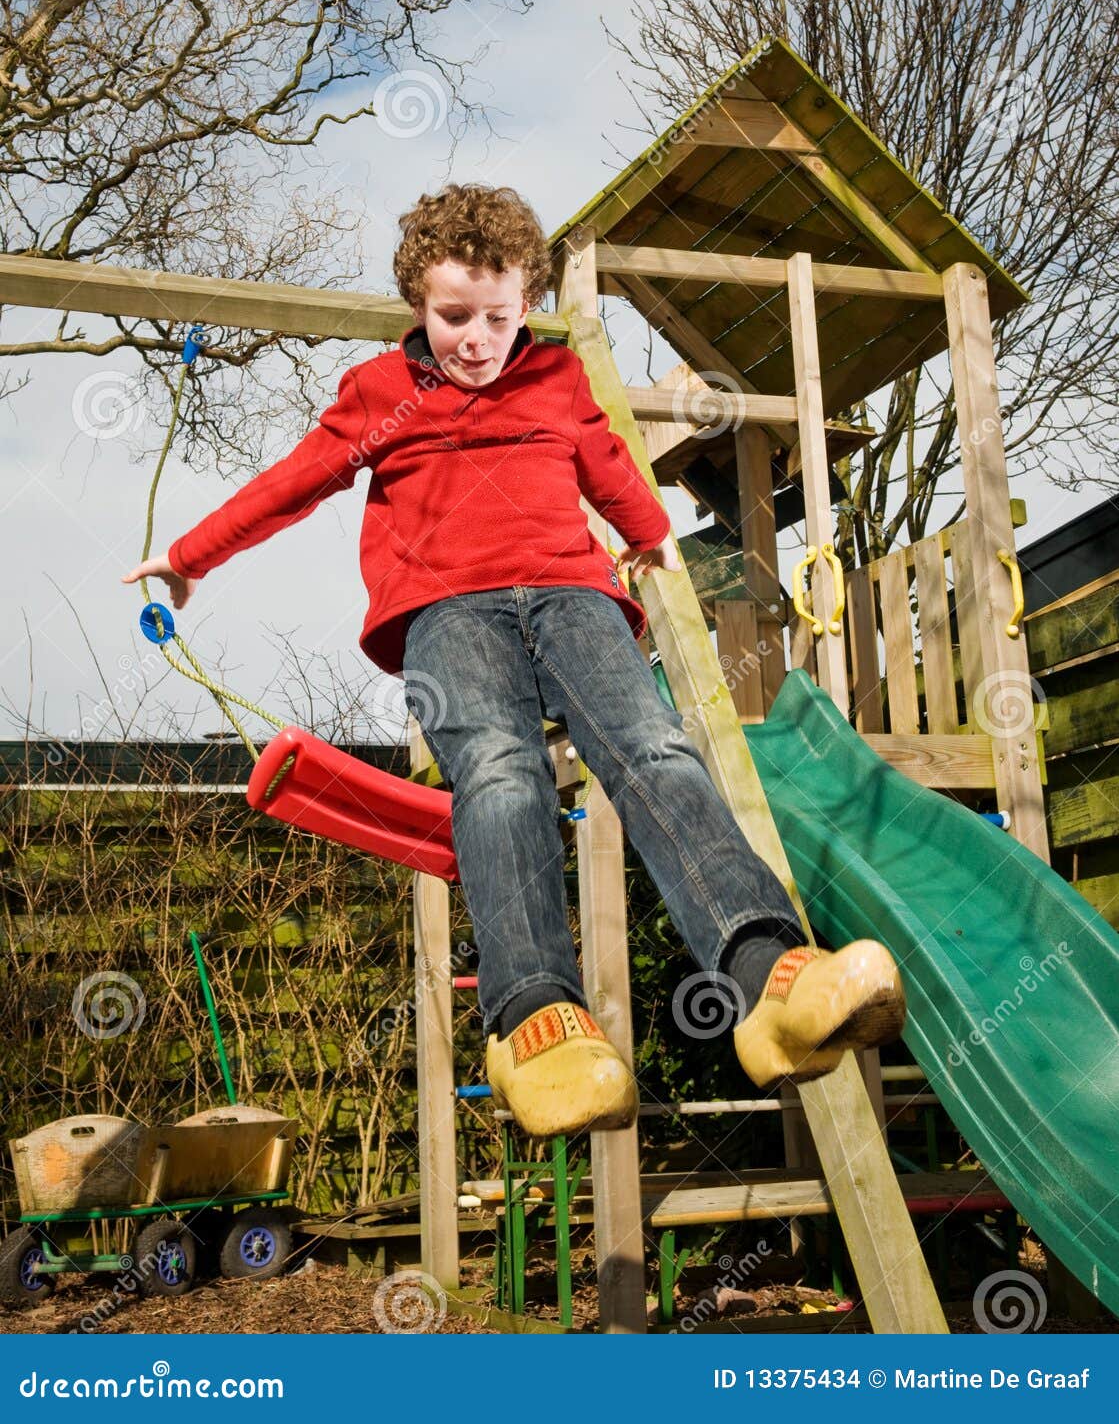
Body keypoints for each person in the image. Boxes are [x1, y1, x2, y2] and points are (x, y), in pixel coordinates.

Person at [123, 182, 905, 1137]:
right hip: (443, 611)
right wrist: (192, 554)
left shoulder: (555, 379)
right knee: (500, 775)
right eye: (454, 316)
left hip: (574, 596)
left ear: (525, 301)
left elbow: (608, 460)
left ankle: (767, 978)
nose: (477, 339)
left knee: (652, 748)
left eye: (499, 315)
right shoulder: (379, 393)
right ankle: (538, 1014)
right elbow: (297, 480)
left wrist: (650, 532)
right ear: (418, 302)